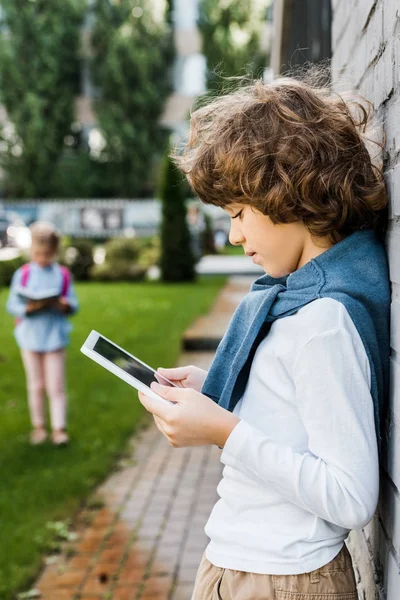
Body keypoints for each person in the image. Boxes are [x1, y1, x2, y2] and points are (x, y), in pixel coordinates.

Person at [138, 76, 391, 600]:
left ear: (286, 192)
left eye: (237, 214)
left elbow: (350, 496)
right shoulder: (300, 300)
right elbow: (292, 408)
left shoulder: (322, 323)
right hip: (239, 558)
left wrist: (226, 432)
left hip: (283, 579)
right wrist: (211, 390)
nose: (234, 236)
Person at [7, 222, 79, 446]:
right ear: (31, 250)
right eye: (38, 253)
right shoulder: (24, 274)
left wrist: (65, 305)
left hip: (54, 337)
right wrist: (27, 308)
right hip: (29, 338)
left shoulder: (62, 275)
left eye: (47, 254)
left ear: (55, 252)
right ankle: (38, 427)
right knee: (36, 385)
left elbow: (73, 305)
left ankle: (59, 429)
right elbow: (12, 305)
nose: (42, 258)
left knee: (55, 386)